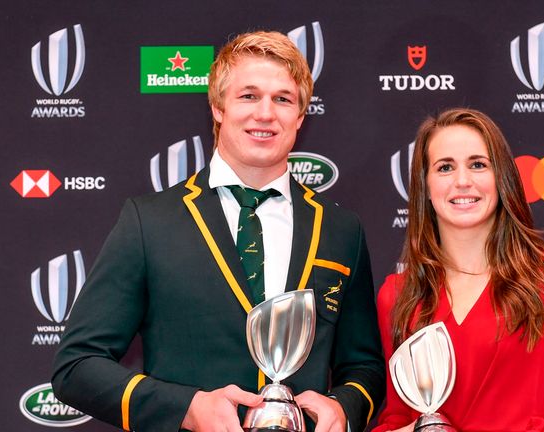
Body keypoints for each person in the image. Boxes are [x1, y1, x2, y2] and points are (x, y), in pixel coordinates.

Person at [52, 31, 384, 432]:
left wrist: (344, 407)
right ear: (218, 107)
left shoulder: (340, 228)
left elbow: (364, 366)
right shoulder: (149, 220)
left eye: (283, 99)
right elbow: (77, 366)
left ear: (300, 116)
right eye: (248, 96)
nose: (265, 113)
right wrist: (186, 408)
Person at [373, 108, 544, 431]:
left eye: (478, 164)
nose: (462, 181)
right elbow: (399, 416)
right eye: (445, 167)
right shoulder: (399, 296)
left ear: (502, 177)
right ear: (424, 184)